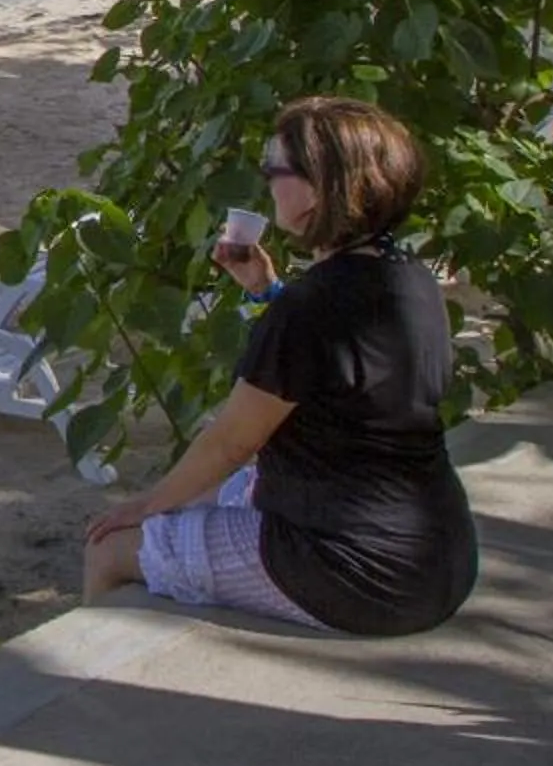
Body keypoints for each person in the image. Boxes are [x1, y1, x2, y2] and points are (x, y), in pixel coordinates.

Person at [82, 96, 478, 636]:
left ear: (321, 186)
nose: (267, 181)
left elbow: (231, 443)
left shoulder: (309, 308)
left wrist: (144, 507)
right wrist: (264, 291)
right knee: (212, 491)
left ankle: (89, 692)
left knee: (110, 548)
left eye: (275, 169)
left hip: (358, 575)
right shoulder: (407, 276)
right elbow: (336, 366)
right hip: (438, 557)